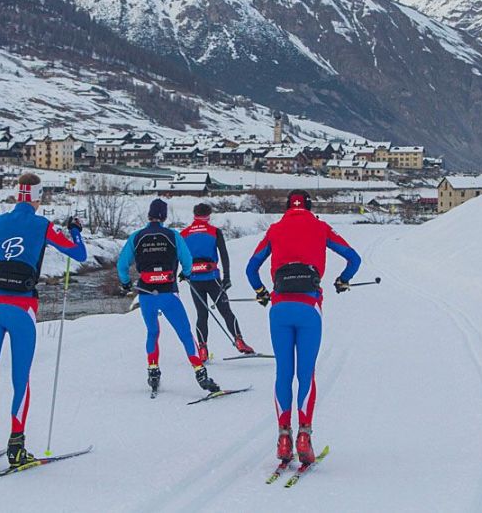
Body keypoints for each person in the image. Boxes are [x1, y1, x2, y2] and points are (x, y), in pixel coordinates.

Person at [0, 173, 86, 467]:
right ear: (37, 197)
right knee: (20, 378)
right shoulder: (42, 225)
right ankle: (16, 447)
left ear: (17, 194)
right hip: (22, 308)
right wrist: (76, 231)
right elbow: (78, 253)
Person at [245, 189, 360, 465]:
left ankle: (284, 438)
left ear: (287, 207)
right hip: (309, 308)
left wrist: (261, 291)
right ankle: (304, 436)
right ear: (309, 206)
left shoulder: (275, 229)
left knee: (283, 373)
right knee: (306, 374)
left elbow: (251, 268)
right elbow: (353, 258)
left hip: (279, 308)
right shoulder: (320, 227)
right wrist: (343, 280)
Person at [117, 198, 221, 396]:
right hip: (168, 293)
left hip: (146, 293)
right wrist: (187, 273)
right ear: (164, 216)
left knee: (152, 332)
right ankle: (200, 373)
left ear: (149, 215)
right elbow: (187, 259)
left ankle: (153, 371)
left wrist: (125, 282)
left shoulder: (137, 237)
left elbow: (122, 264)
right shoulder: (172, 235)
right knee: (185, 333)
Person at [180, 203, 255, 359]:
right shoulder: (214, 232)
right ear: (209, 215)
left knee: (202, 315)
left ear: (194, 214)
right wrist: (227, 277)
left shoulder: (184, 234)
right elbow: (224, 255)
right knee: (226, 311)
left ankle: (202, 349)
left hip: (194, 279)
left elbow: (179, 256)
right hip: (212, 277)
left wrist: (182, 272)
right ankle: (239, 341)